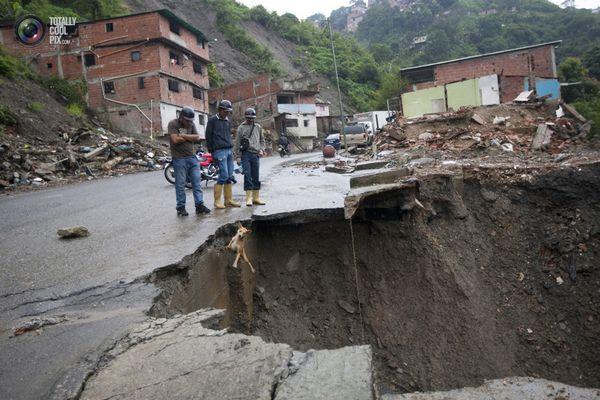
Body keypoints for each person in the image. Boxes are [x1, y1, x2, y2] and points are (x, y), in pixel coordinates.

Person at [168, 106, 211, 217]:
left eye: (191, 121)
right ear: (181, 117)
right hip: (179, 159)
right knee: (180, 184)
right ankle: (181, 207)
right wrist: (189, 137)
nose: (189, 123)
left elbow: (197, 137)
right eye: (187, 120)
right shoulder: (173, 124)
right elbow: (175, 140)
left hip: (192, 158)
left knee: (197, 183)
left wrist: (182, 135)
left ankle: (199, 205)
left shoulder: (191, 124)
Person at [205, 100, 241, 209]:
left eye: (228, 112)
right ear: (220, 110)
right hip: (219, 151)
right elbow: (208, 136)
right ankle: (217, 201)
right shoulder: (212, 120)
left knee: (230, 175)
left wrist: (232, 149)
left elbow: (228, 135)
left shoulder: (227, 121)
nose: (227, 113)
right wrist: (212, 152)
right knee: (224, 175)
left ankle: (228, 200)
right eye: (225, 111)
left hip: (229, 149)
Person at [235, 108, 266, 207]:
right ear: (245, 118)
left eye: (252, 118)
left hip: (256, 154)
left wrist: (262, 149)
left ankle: (256, 198)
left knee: (256, 175)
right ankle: (248, 198)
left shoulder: (258, 127)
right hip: (246, 154)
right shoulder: (241, 128)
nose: (251, 120)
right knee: (247, 175)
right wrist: (238, 157)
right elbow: (237, 143)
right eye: (249, 118)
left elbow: (262, 140)